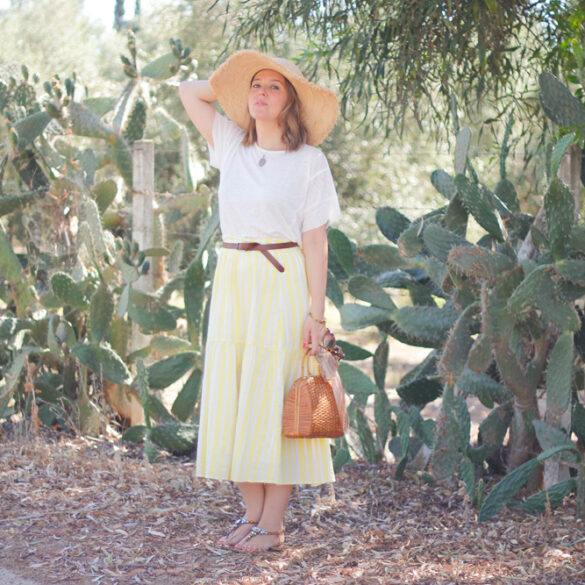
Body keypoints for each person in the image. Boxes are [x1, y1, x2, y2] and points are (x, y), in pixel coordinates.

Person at [179, 50, 341, 552]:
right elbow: (189, 90)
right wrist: (232, 85)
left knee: (276, 396)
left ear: (290, 100)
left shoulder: (310, 161)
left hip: (283, 278)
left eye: (274, 87)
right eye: (256, 87)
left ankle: (273, 525)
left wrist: (316, 313)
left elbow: (316, 243)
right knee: (235, 391)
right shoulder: (230, 143)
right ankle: (250, 516)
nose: (262, 94)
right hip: (234, 276)